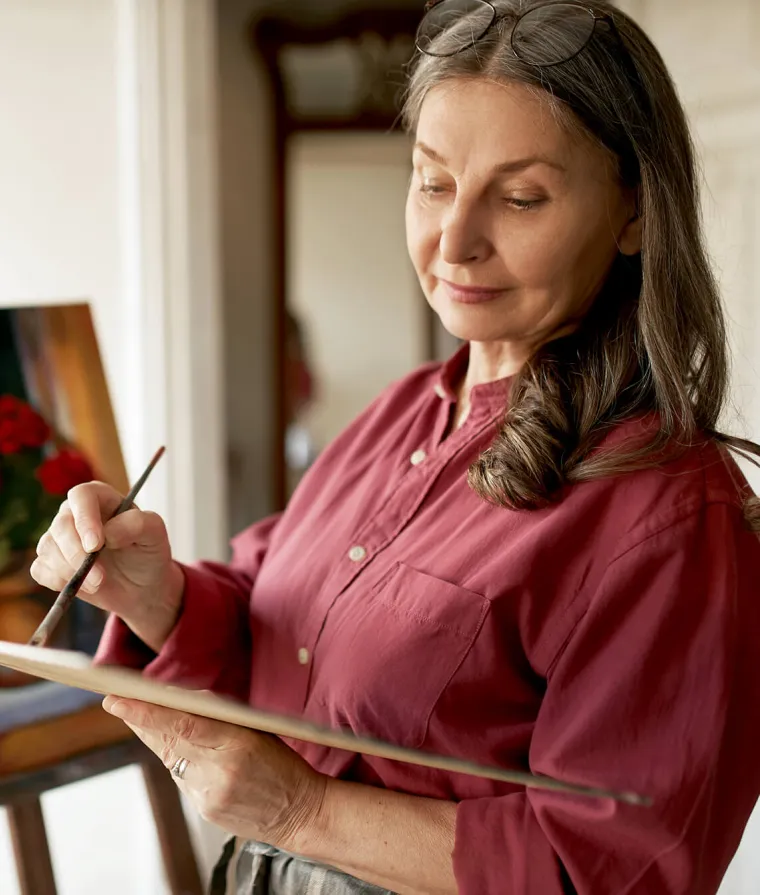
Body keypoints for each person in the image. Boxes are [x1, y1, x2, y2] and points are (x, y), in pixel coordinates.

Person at [31, 1, 760, 893]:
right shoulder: (408, 410)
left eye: (521, 197)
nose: (455, 242)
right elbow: (283, 619)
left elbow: (615, 870)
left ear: (636, 212)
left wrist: (304, 811)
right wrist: (164, 597)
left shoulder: (669, 511)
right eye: (432, 182)